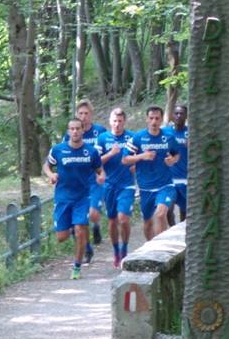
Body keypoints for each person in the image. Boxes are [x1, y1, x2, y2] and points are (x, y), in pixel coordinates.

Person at [45, 118, 106, 280]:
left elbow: (99, 169)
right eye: (71, 129)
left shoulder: (91, 151)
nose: (75, 132)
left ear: (82, 131)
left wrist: (101, 177)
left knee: (80, 231)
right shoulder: (58, 150)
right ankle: (72, 226)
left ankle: (77, 267)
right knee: (61, 237)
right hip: (63, 198)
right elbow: (47, 165)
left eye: (78, 128)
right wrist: (51, 175)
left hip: (82, 198)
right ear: (68, 131)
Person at [122, 106, 180, 240]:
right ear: (147, 119)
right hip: (145, 188)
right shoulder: (138, 138)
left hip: (165, 185)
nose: (154, 121)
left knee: (160, 214)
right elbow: (125, 159)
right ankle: (150, 249)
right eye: (151, 118)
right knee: (147, 223)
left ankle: (160, 249)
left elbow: (176, 155)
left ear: (161, 120)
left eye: (157, 118)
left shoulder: (168, 137)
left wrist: (172, 160)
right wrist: (142, 156)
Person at [62, 100, 108, 261]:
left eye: (86, 113)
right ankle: (87, 249)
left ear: (91, 114)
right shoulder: (70, 134)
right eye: (80, 113)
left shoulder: (100, 132)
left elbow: (108, 153)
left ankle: (96, 226)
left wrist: (101, 171)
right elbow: (62, 155)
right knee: (78, 222)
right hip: (76, 183)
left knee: (93, 213)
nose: (83, 116)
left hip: (94, 180)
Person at [96, 108, 136, 269]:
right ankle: (116, 252)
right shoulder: (103, 138)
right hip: (108, 185)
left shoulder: (132, 137)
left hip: (127, 185)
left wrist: (136, 165)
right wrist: (111, 153)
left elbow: (141, 157)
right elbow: (96, 161)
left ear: (124, 121)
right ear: (110, 121)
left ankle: (125, 249)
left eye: (120, 121)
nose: (117, 124)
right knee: (112, 221)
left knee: (123, 218)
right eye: (114, 121)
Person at [163, 104, 189, 222]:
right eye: (176, 113)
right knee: (168, 209)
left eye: (181, 113)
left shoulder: (190, 133)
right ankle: (172, 229)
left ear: (186, 115)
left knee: (185, 211)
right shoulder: (165, 132)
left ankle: (183, 236)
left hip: (186, 177)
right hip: (169, 177)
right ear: (172, 115)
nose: (178, 116)